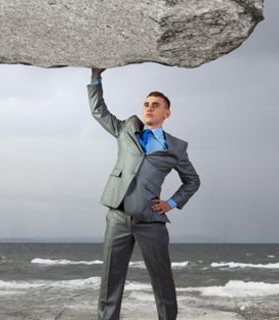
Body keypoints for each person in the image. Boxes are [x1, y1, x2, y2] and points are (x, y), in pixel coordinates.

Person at [87, 67, 200, 320]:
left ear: (166, 113)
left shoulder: (176, 148)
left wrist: (171, 203)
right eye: (146, 104)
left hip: (151, 222)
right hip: (118, 217)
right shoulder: (127, 128)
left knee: (162, 281)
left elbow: (192, 180)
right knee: (110, 282)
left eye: (155, 104)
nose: (149, 108)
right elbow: (98, 111)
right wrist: (96, 77)